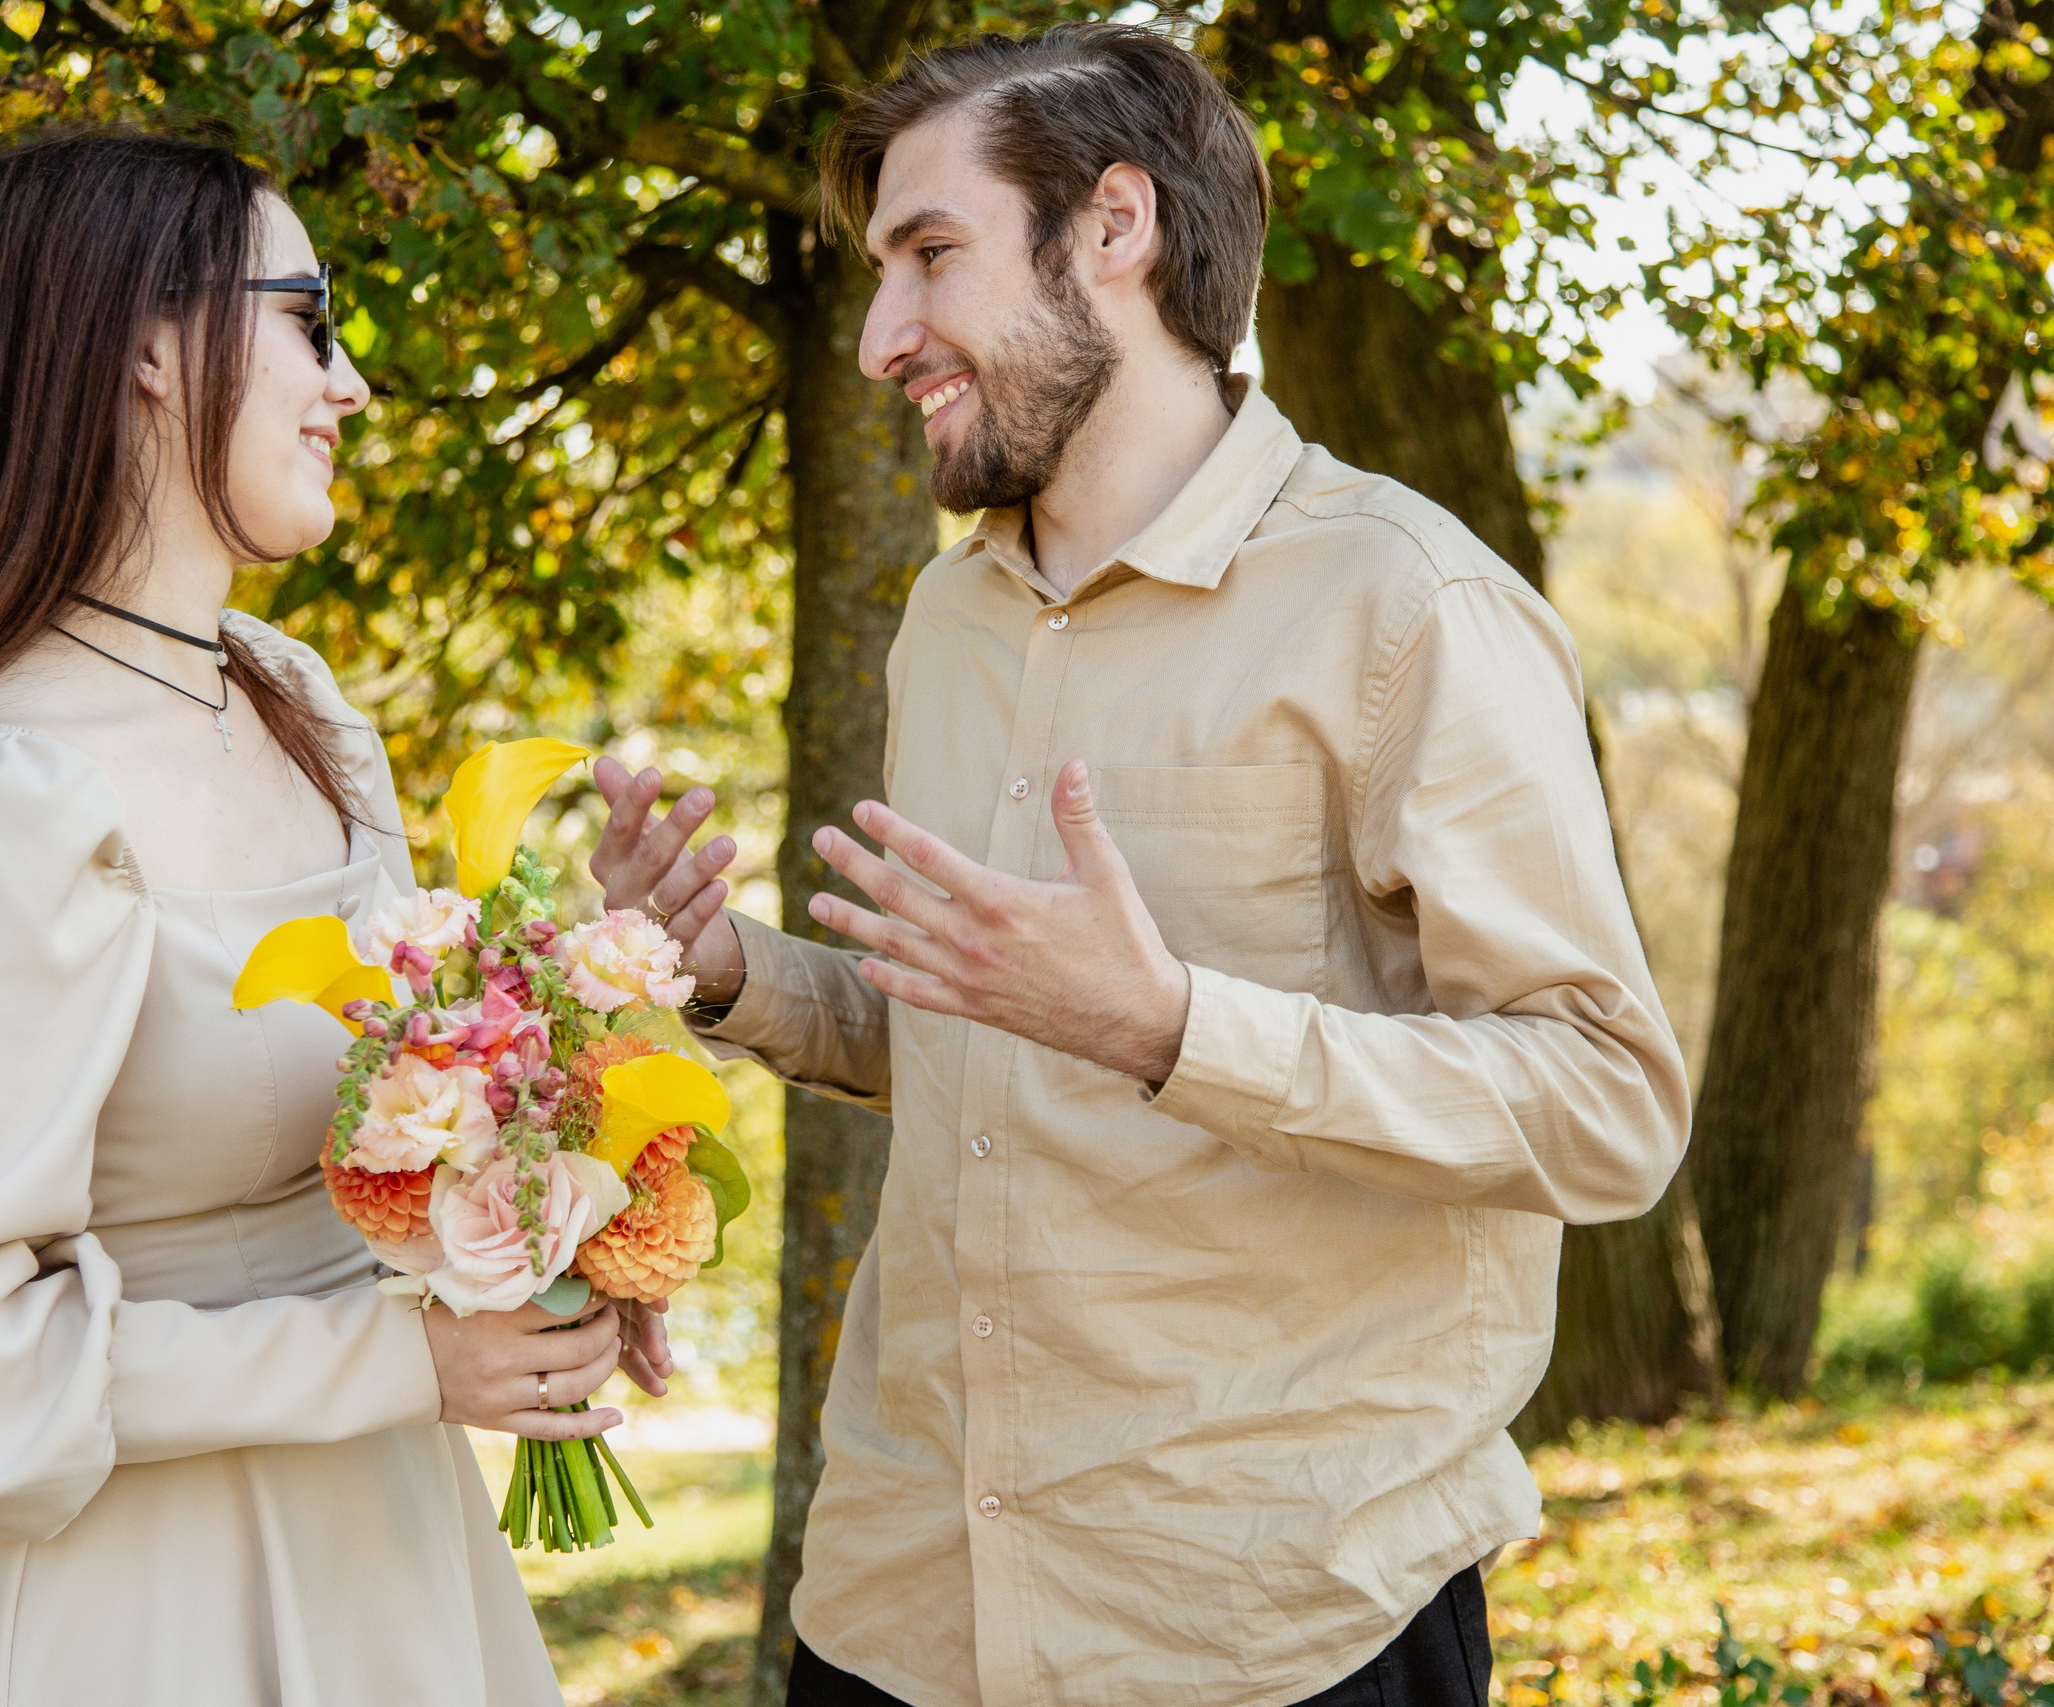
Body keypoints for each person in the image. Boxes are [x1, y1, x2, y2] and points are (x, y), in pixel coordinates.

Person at [590, 23, 1690, 1707]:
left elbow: (1607, 1104)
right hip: (898, 1610)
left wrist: (1174, 1029)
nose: (884, 335)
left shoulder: (1408, 606)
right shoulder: (949, 616)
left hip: (1267, 1626)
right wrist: (724, 970)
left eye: (930, 256)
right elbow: (972, 1034)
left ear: (1115, 228)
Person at [0, 126, 668, 1707]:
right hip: (114, 1609)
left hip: (391, 1561)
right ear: (147, 346)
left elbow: (381, 1130)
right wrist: (401, 1363)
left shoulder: (296, 704)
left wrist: (548, 1228)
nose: (350, 384)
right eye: (313, 317)